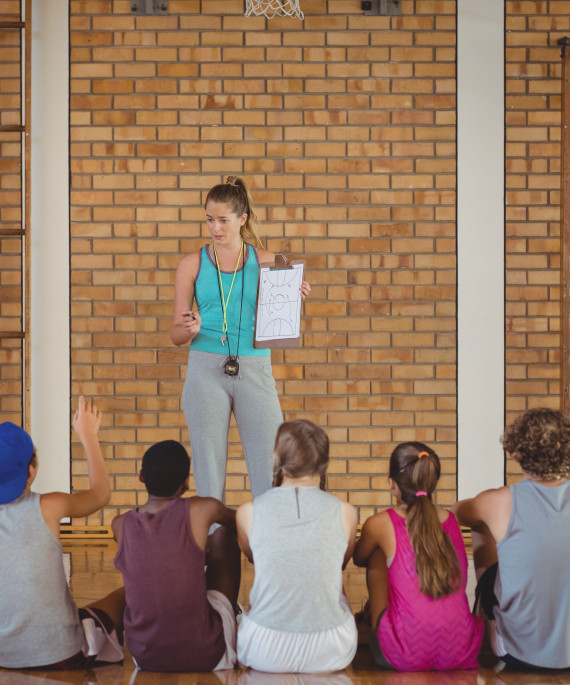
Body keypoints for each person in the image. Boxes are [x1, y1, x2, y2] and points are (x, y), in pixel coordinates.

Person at [170, 176, 310, 509]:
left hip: (253, 366)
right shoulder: (192, 263)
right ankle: (210, 557)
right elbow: (175, 335)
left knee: (269, 463)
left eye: (222, 220)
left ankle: (269, 547)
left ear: (242, 219)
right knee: (208, 470)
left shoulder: (268, 261)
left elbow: (281, 325)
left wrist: (296, 297)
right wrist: (188, 329)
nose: (215, 228)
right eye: (209, 219)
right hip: (204, 367)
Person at [0, 396, 125, 670]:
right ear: (31, 471)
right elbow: (101, 494)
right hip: (60, 655)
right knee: (122, 596)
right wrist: (89, 436)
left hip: (3, 658)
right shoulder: (49, 505)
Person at [236, 419, 358, 673]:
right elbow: (340, 563)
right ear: (324, 463)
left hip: (264, 651)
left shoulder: (248, 512)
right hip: (332, 651)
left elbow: (254, 557)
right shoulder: (346, 512)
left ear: (278, 459)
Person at [452, 407, 570, 670]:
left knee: (479, 525)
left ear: (517, 452)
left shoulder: (497, 501)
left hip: (518, 652)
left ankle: (485, 616)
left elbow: (455, 512)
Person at [112, 439, 241, 672]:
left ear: (141, 476)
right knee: (225, 536)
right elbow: (240, 521)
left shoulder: (120, 525)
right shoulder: (203, 508)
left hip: (145, 657)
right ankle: (231, 612)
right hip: (207, 653)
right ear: (186, 483)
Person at [353, 441, 484, 671]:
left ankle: (370, 617)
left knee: (376, 553)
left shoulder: (381, 523)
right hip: (459, 650)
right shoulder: (450, 520)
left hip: (404, 653)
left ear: (392, 484)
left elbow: (359, 558)